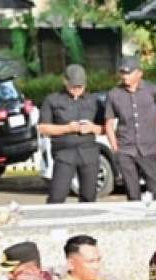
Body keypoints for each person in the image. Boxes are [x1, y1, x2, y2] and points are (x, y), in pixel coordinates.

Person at [104, 56, 156, 202]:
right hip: (126, 148)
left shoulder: (150, 89)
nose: (125, 77)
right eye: (123, 73)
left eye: (129, 73)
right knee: (132, 192)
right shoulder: (114, 94)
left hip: (148, 147)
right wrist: (115, 147)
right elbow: (109, 122)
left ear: (139, 73)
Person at [38, 64, 102, 204]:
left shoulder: (94, 101)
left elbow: (105, 127)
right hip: (64, 153)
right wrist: (68, 128)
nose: (77, 89)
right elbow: (43, 128)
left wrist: (92, 128)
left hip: (89, 153)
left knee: (89, 196)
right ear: (65, 81)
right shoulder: (53, 100)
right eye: (74, 86)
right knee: (57, 195)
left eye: (80, 86)